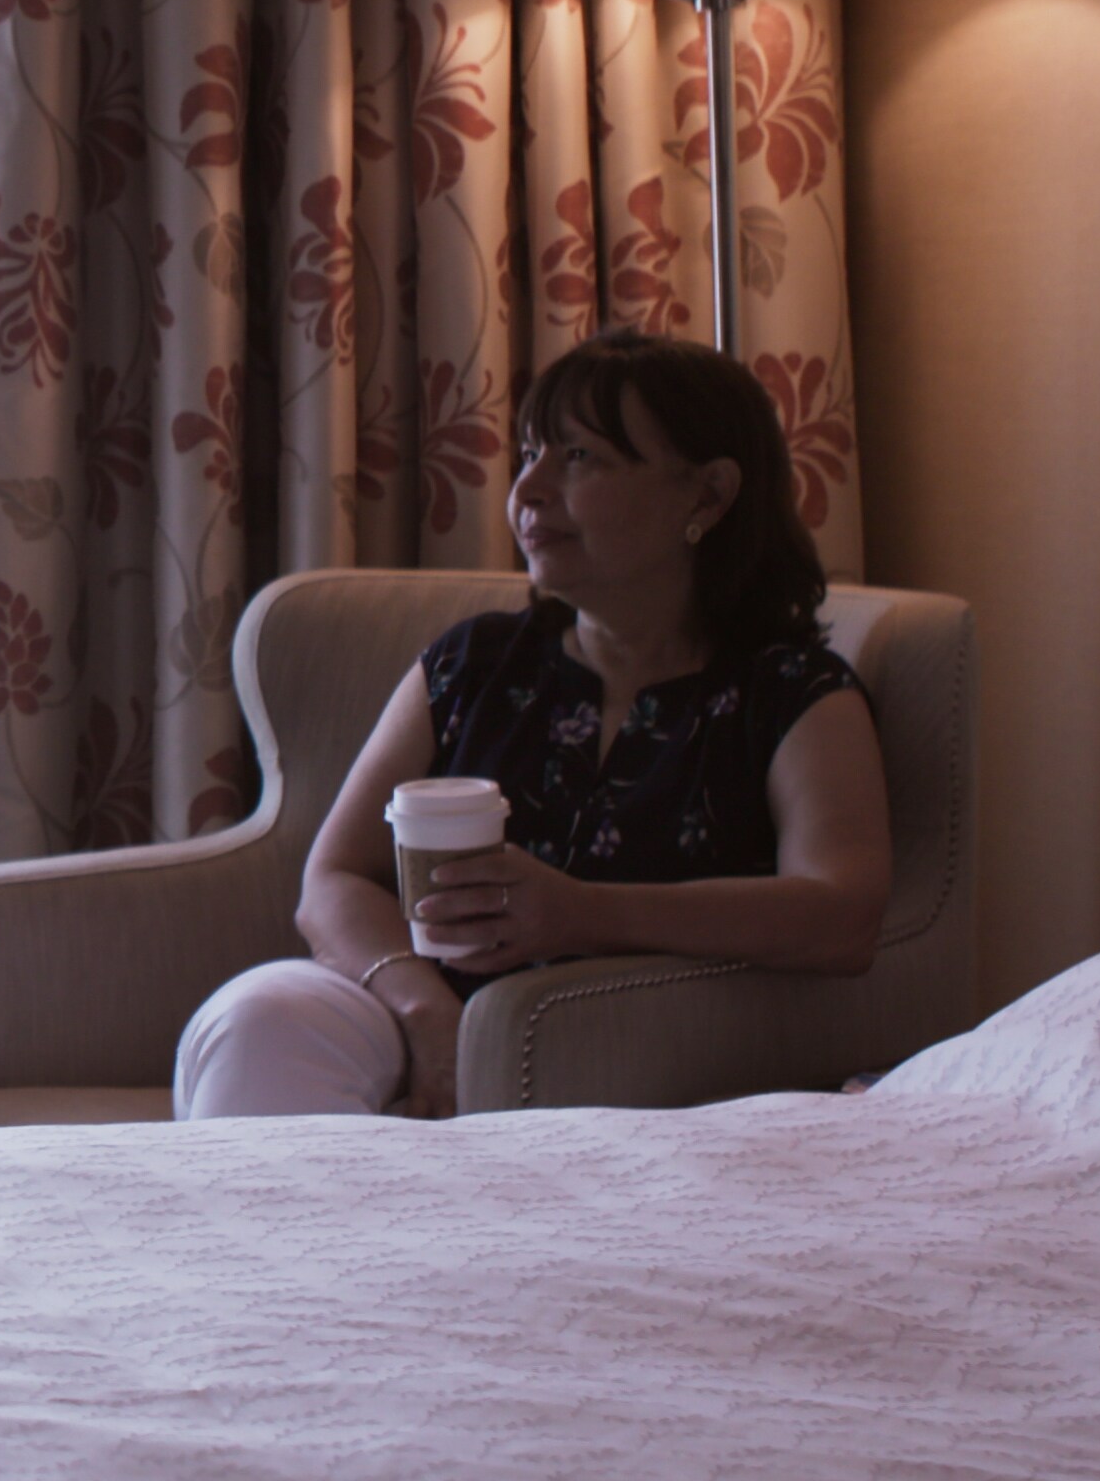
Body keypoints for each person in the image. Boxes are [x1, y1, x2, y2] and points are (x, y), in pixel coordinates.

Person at [173, 329, 888, 1121]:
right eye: (529, 453)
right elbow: (334, 880)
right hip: (430, 1007)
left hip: (643, 1041)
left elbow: (841, 914)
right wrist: (428, 1017)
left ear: (708, 496)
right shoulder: (474, 664)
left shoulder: (791, 693)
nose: (529, 491)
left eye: (580, 458)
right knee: (263, 1020)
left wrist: (582, 911)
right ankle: (288, 1243)